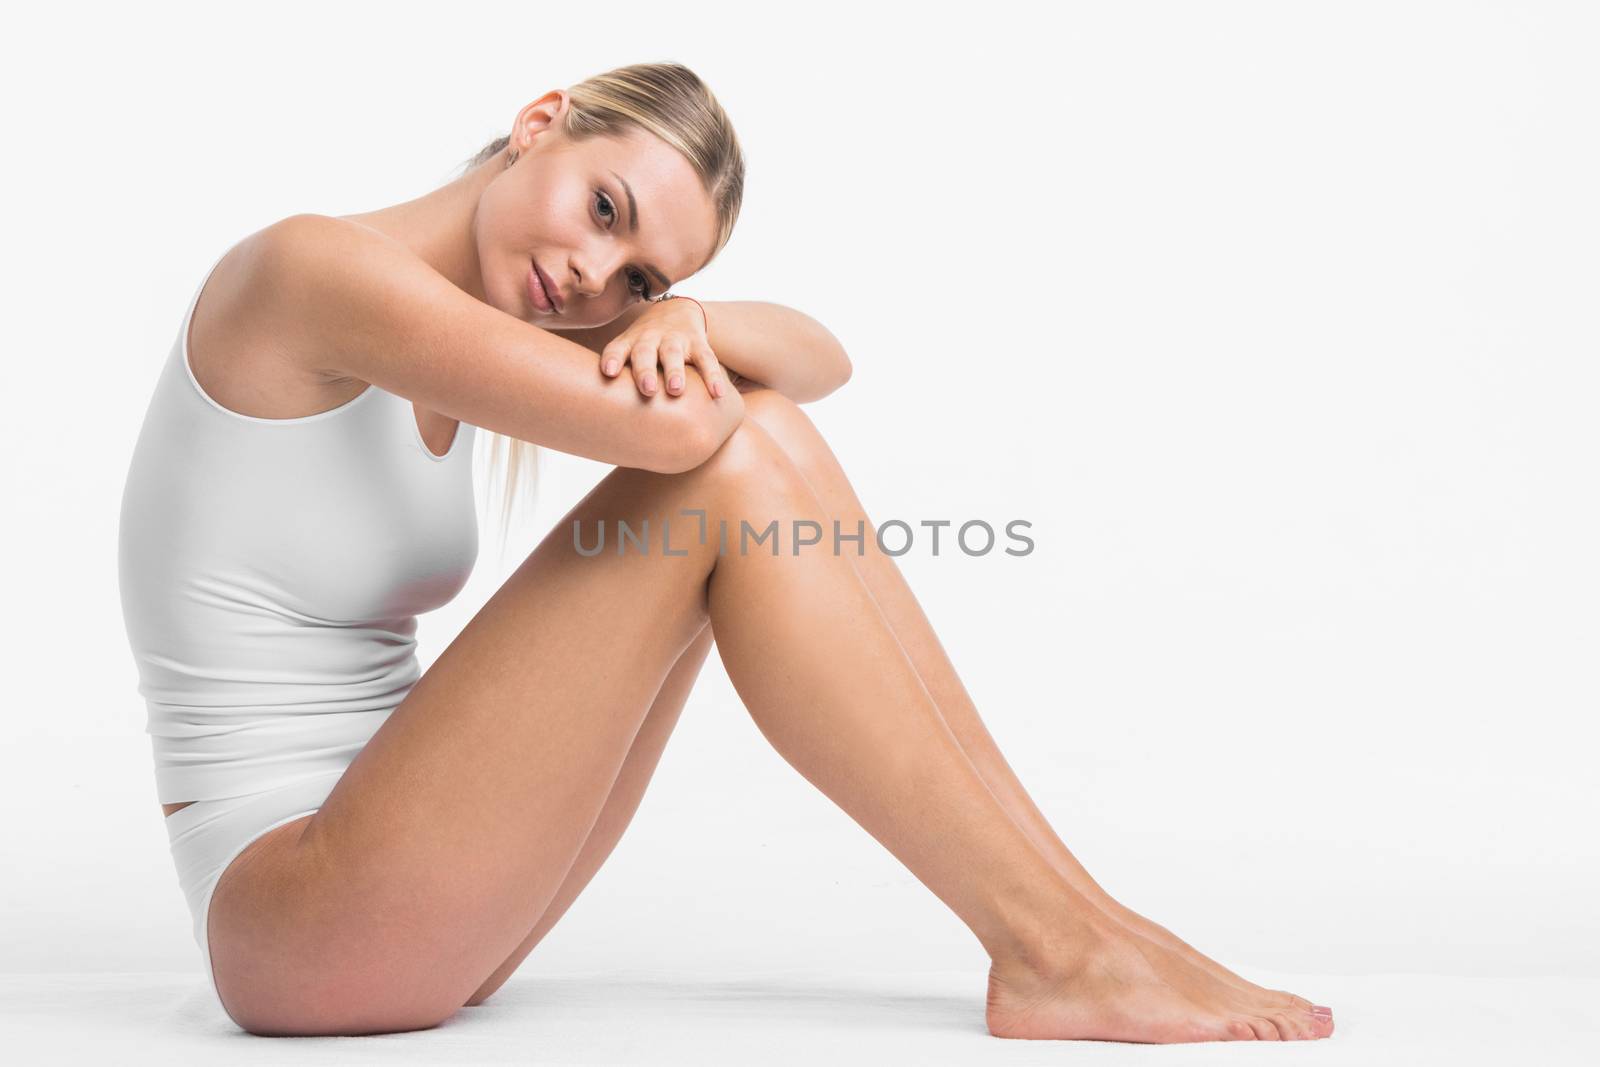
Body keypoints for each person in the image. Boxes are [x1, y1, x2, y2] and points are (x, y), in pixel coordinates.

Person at [117, 60, 1333, 1042]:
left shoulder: (495, 322)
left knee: (756, 438)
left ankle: (1077, 920)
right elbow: (703, 424)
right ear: (540, 120)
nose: (594, 277)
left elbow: (817, 358)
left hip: (418, 886)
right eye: (605, 210)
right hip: (295, 914)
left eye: (636, 272)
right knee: (730, 462)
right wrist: (670, 331)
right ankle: (1060, 942)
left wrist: (690, 315)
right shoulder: (310, 270)